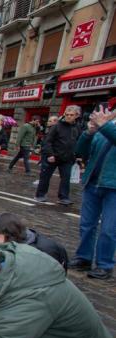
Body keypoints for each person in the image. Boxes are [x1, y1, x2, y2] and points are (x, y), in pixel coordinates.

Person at [67, 105, 116, 280]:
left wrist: (104, 125)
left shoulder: (107, 127)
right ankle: (83, 257)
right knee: (87, 224)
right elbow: (81, 151)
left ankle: (104, 264)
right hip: (93, 182)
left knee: (109, 229)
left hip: (113, 186)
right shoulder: (104, 129)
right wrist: (88, 133)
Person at [34, 106, 81, 205]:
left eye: (71, 115)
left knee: (66, 178)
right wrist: (50, 154)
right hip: (53, 156)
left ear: (77, 116)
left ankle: (63, 197)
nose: (68, 116)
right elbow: (47, 141)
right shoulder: (57, 126)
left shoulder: (77, 127)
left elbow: (78, 142)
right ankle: (40, 195)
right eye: (67, 114)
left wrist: (77, 156)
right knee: (45, 176)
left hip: (67, 158)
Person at [33, 115, 59, 187]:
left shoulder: (55, 131)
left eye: (50, 121)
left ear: (56, 122)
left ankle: (42, 182)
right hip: (45, 151)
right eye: (49, 121)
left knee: (45, 169)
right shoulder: (50, 130)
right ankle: (42, 180)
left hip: (49, 153)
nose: (48, 122)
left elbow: (51, 142)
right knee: (43, 168)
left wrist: (50, 153)